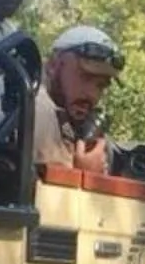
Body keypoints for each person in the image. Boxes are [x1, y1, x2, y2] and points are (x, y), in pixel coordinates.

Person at [33, 25, 123, 174]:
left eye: (100, 86)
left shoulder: (53, 104)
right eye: (85, 77)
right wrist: (87, 174)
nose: (92, 95)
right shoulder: (39, 110)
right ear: (54, 65)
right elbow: (53, 194)